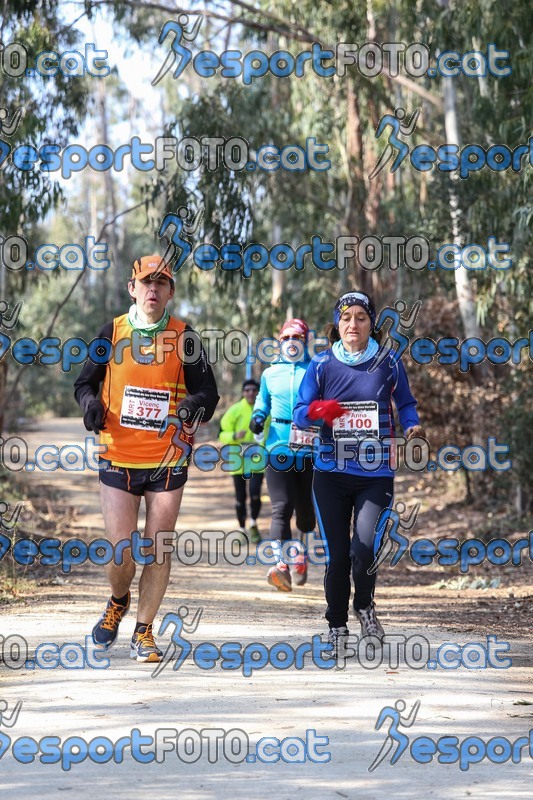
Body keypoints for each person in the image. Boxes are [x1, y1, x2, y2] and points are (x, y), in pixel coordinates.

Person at [74, 254, 219, 663]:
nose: (153, 290)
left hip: (167, 459)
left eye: (161, 284)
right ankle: (118, 599)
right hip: (117, 455)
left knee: (159, 548)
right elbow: (84, 383)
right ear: (132, 288)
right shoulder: (112, 331)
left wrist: (192, 406)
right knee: (121, 552)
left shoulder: (185, 337)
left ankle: (143, 630)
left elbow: (209, 394)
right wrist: (90, 405)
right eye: (146, 283)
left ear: (171, 292)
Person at [293, 291, 425, 655]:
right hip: (331, 473)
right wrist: (321, 409)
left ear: (371, 324)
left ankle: (364, 605)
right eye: (347, 317)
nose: (353, 324)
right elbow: (300, 413)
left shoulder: (388, 362)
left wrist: (412, 426)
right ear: (337, 324)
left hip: (376, 473)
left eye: (361, 318)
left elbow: (406, 403)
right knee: (337, 557)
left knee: (365, 550)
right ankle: (337, 626)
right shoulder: (321, 365)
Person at [249, 319, 317, 592]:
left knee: (305, 511)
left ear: (305, 341)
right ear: (279, 342)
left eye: (297, 337)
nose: (292, 341)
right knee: (281, 507)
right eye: (286, 337)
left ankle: (301, 556)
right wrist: (257, 417)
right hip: (277, 446)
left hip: (309, 447)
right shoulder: (269, 373)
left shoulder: (316, 370)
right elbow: (262, 401)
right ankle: (281, 565)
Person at [218, 379, 270, 543]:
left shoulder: (265, 412)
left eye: (254, 390)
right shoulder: (234, 410)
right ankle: (241, 529)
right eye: (247, 390)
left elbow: (271, 432)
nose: (250, 393)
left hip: (257, 458)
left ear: (258, 393)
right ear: (242, 392)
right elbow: (221, 434)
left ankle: (253, 524)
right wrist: (233, 436)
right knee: (240, 497)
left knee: (255, 495)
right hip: (237, 459)